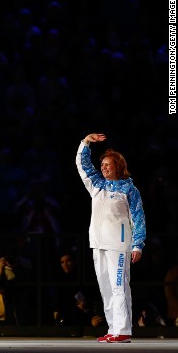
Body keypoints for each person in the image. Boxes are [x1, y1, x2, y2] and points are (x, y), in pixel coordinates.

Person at [76, 133, 146, 343]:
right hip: (98, 244)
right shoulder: (97, 185)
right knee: (105, 287)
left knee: (119, 287)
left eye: (108, 164)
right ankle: (113, 328)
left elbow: (138, 217)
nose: (104, 167)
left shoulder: (129, 189)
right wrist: (85, 143)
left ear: (118, 166)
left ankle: (123, 329)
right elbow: (83, 165)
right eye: (103, 164)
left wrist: (138, 245)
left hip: (119, 244)